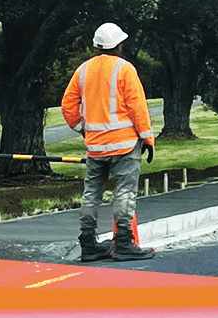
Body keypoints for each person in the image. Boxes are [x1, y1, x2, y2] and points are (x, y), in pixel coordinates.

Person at [61, 23, 157, 262]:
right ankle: (124, 243)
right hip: (124, 145)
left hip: (95, 147)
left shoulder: (83, 70)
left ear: (96, 46)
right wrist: (147, 137)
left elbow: (68, 105)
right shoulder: (124, 68)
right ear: (119, 45)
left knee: (91, 194)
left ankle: (88, 244)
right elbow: (137, 107)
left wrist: (82, 129)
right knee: (124, 193)